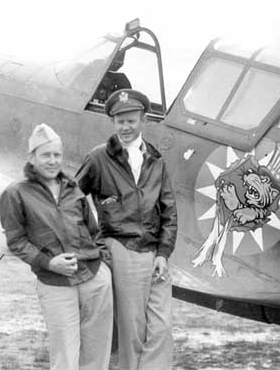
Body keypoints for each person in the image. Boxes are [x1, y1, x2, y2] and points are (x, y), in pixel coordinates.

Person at [76, 88, 177, 370]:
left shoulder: (156, 161)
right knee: (132, 331)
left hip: (155, 254)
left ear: (143, 120)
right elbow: (70, 199)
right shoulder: (98, 158)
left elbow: (168, 211)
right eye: (120, 121)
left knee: (161, 329)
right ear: (113, 122)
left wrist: (164, 253)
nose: (126, 127)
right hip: (122, 249)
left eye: (131, 120)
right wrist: (95, 240)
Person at [0, 123, 113, 370]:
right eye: (46, 155)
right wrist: (49, 263)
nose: (52, 161)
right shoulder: (15, 193)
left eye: (57, 155)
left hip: (94, 277)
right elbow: (16, 241)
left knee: (97, 354)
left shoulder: (73, 189)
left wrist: (103, 265)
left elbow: (95, 231)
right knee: (65, 356)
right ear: (32, 158)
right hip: (55, 283)